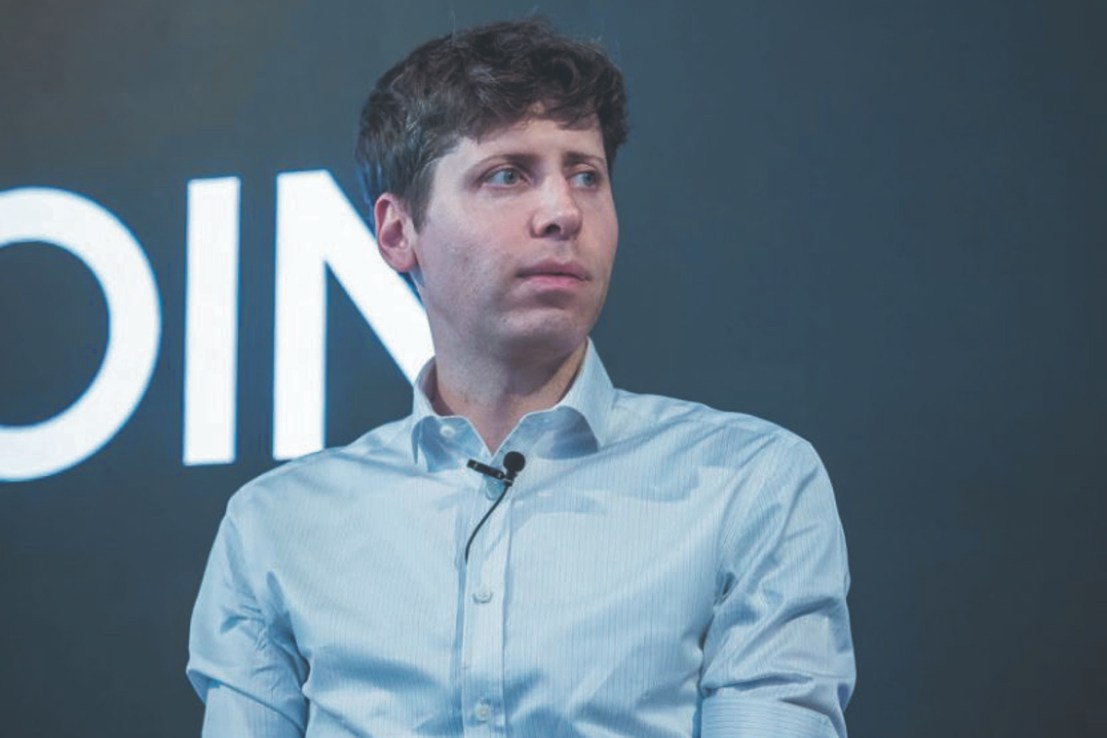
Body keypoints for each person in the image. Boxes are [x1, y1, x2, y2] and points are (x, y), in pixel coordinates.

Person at [187, 18, 855, 738]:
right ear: (398, 232)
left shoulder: (751, 485)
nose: (563, 212)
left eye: (585, 175)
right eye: (507, 175)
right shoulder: (275, 527)